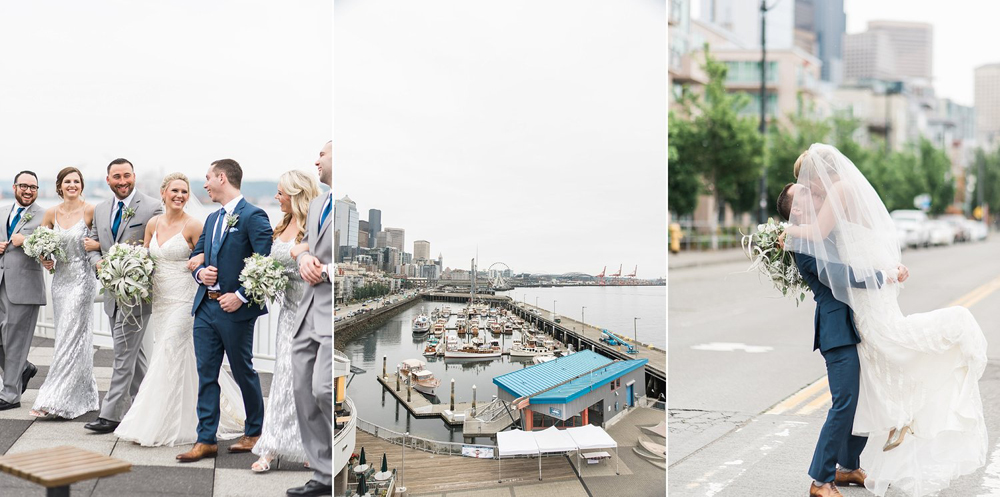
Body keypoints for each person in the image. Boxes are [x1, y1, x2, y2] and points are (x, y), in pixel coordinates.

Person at [779, 143, 987, 497]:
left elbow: (855, 247)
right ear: (792, 213)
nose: (810, 196)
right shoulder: (801, 241)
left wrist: (888, 268)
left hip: (854, 319)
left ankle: (848, 467)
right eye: (801, 198)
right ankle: (820, 479)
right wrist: (882, 275)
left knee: (863, 394)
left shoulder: (824, 227)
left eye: (810, 190)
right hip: (837, 327)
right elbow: (839, 275)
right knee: (846, 401)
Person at [114, 173, 246, 446]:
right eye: (174, 190)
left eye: (184, 191)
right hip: (160, 302)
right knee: (179, 358)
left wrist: (199, 257)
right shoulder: (153, 223)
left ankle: (157, 423)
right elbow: (144, 258)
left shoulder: (194, 225)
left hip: (185, 302)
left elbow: (212, 257)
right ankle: (201, 414)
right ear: (163, 193)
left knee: (167, 354)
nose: (180, 195)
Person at [177, 159, 272, 463]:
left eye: (207, 178)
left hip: (235, 310)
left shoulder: (253, 216)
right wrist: (199, 274)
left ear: (222, 178)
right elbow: (196, 257)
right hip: (205, 307)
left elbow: (264, 264)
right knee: (206, 373)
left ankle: (254, 431)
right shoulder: (212, 218)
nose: (204, 184)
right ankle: (206, 439)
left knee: (243, 370)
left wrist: (242, 297)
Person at [83, 158, 164, 434]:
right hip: (112, 295)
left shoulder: (153, 206)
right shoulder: (101, 209)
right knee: (136, 358)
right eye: (116, 176)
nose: (122, 181)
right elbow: (92, 245)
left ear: (134, 176)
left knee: (122, 355)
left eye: (126, 175)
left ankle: (111, 414)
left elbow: (160, 246)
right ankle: (147, 408)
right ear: (108, 180)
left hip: (137, 294)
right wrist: (97, 261)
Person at [251, 170, 320, 472]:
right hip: (287, 312)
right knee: (282, 377)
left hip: (311, 311)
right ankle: (269, 447)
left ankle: (310, 445)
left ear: (295, 195)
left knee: (307, 383)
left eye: (280, 193)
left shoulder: (316, 227)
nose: (276, 198)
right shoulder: (281, 225)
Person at [29, 167, 100, 419]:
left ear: (82, 185)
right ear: (60, 186)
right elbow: (39, 243)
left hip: (82, 280)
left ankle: (54, 398)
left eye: (76, 181)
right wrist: (44, 258)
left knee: (71, 337)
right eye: (67, 181)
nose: (72, 185)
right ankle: (84, 395)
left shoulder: (91, 211)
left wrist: (98, 246)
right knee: (68, 338)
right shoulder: (51, 213)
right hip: (60, 281)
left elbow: (103, 241)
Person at [287, 141, 333, 497]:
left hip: (331, 309)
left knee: (323, 388)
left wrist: (329, 270)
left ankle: (339, 457)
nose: (316, 160)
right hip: (307, 311)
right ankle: (322, 474)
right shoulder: (318, 203)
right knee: (302, 390)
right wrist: (302, 258)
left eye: (323, 153)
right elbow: (304, 244)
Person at [0, 171, 45, 410]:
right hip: (1, 282)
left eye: (33, 188)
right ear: (15, 186)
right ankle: (23, 367)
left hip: (25, 286)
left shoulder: (45, 215)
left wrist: (26, 241)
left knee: (15, 340)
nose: (29, 191)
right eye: (24, 186)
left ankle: (10, 395)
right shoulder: (2, 211)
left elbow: (51, 249)